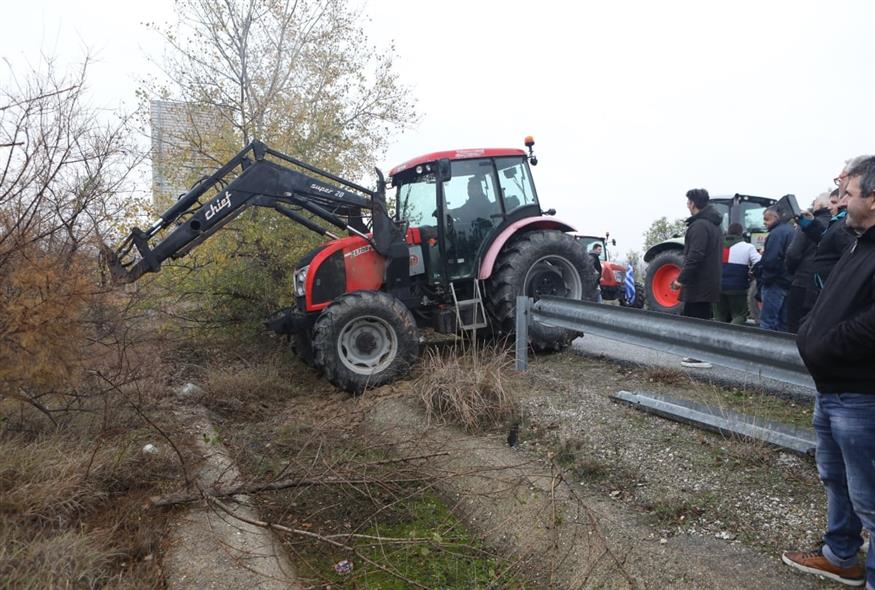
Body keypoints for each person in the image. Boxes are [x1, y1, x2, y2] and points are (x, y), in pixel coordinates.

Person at [782, 156, 875, 590]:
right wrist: (811, 330)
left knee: (871, 500)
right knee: (836, 478)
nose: (839, 201)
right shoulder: (859, 242)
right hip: (834, 388)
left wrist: (824, 343)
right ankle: (841, 555)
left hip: (862, 395)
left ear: (873, 200)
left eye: (848, 194)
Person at [799, 156, 871, 314]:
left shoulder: (851, 223)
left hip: (830, 302)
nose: (840, 184)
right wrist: (810, 225)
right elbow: (829, 239)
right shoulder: (843, 219)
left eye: (841, 178)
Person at [669, 188, 722, 368]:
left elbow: (695, 256)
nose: (687, 205)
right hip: (709, 281)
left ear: (692, 203)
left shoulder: (699, 226)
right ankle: (699, 354)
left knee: (695, 319)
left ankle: (699, 357)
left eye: (688, 202)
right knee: (702, 318)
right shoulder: (714, 225)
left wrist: (681, 279)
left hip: (699, 283)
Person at [785, 192, 833, 332]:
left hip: (802, 282)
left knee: (795, 327)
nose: (812, 205)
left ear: (820, 205)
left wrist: (790, 272)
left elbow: (793, 253)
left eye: (814, 202)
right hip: (825, 284)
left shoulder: (807, 224)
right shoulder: (837, 225)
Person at [714, 223, 761, 324]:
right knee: (740, 315)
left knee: (719, 316)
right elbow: (759, 263)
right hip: (738, 288)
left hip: (717, 287)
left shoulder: (717, 245)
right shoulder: (748, 247)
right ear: (741, 233)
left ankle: (716, 333)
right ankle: (732, 332)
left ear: (727, 232)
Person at [757, 206, 794, 331]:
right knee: (783, 322)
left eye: (766, 219)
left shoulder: (776, 233)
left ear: (775, 217)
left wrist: (763, 275)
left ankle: (764, 344)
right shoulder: (791, 231)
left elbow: (770, 261)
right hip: (787, 281)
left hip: (774, 282)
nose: (764, 223)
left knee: (767, 321)